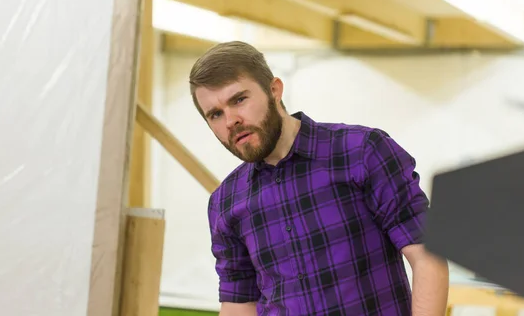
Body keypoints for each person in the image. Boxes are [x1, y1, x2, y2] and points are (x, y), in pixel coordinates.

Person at [188, 41, 449, 315]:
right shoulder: (226, 201)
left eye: (238, 100)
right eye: (215, 114)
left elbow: (427, 256)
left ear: (274, 90)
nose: (230, 120)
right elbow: (238, 304)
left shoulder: (362, 152)